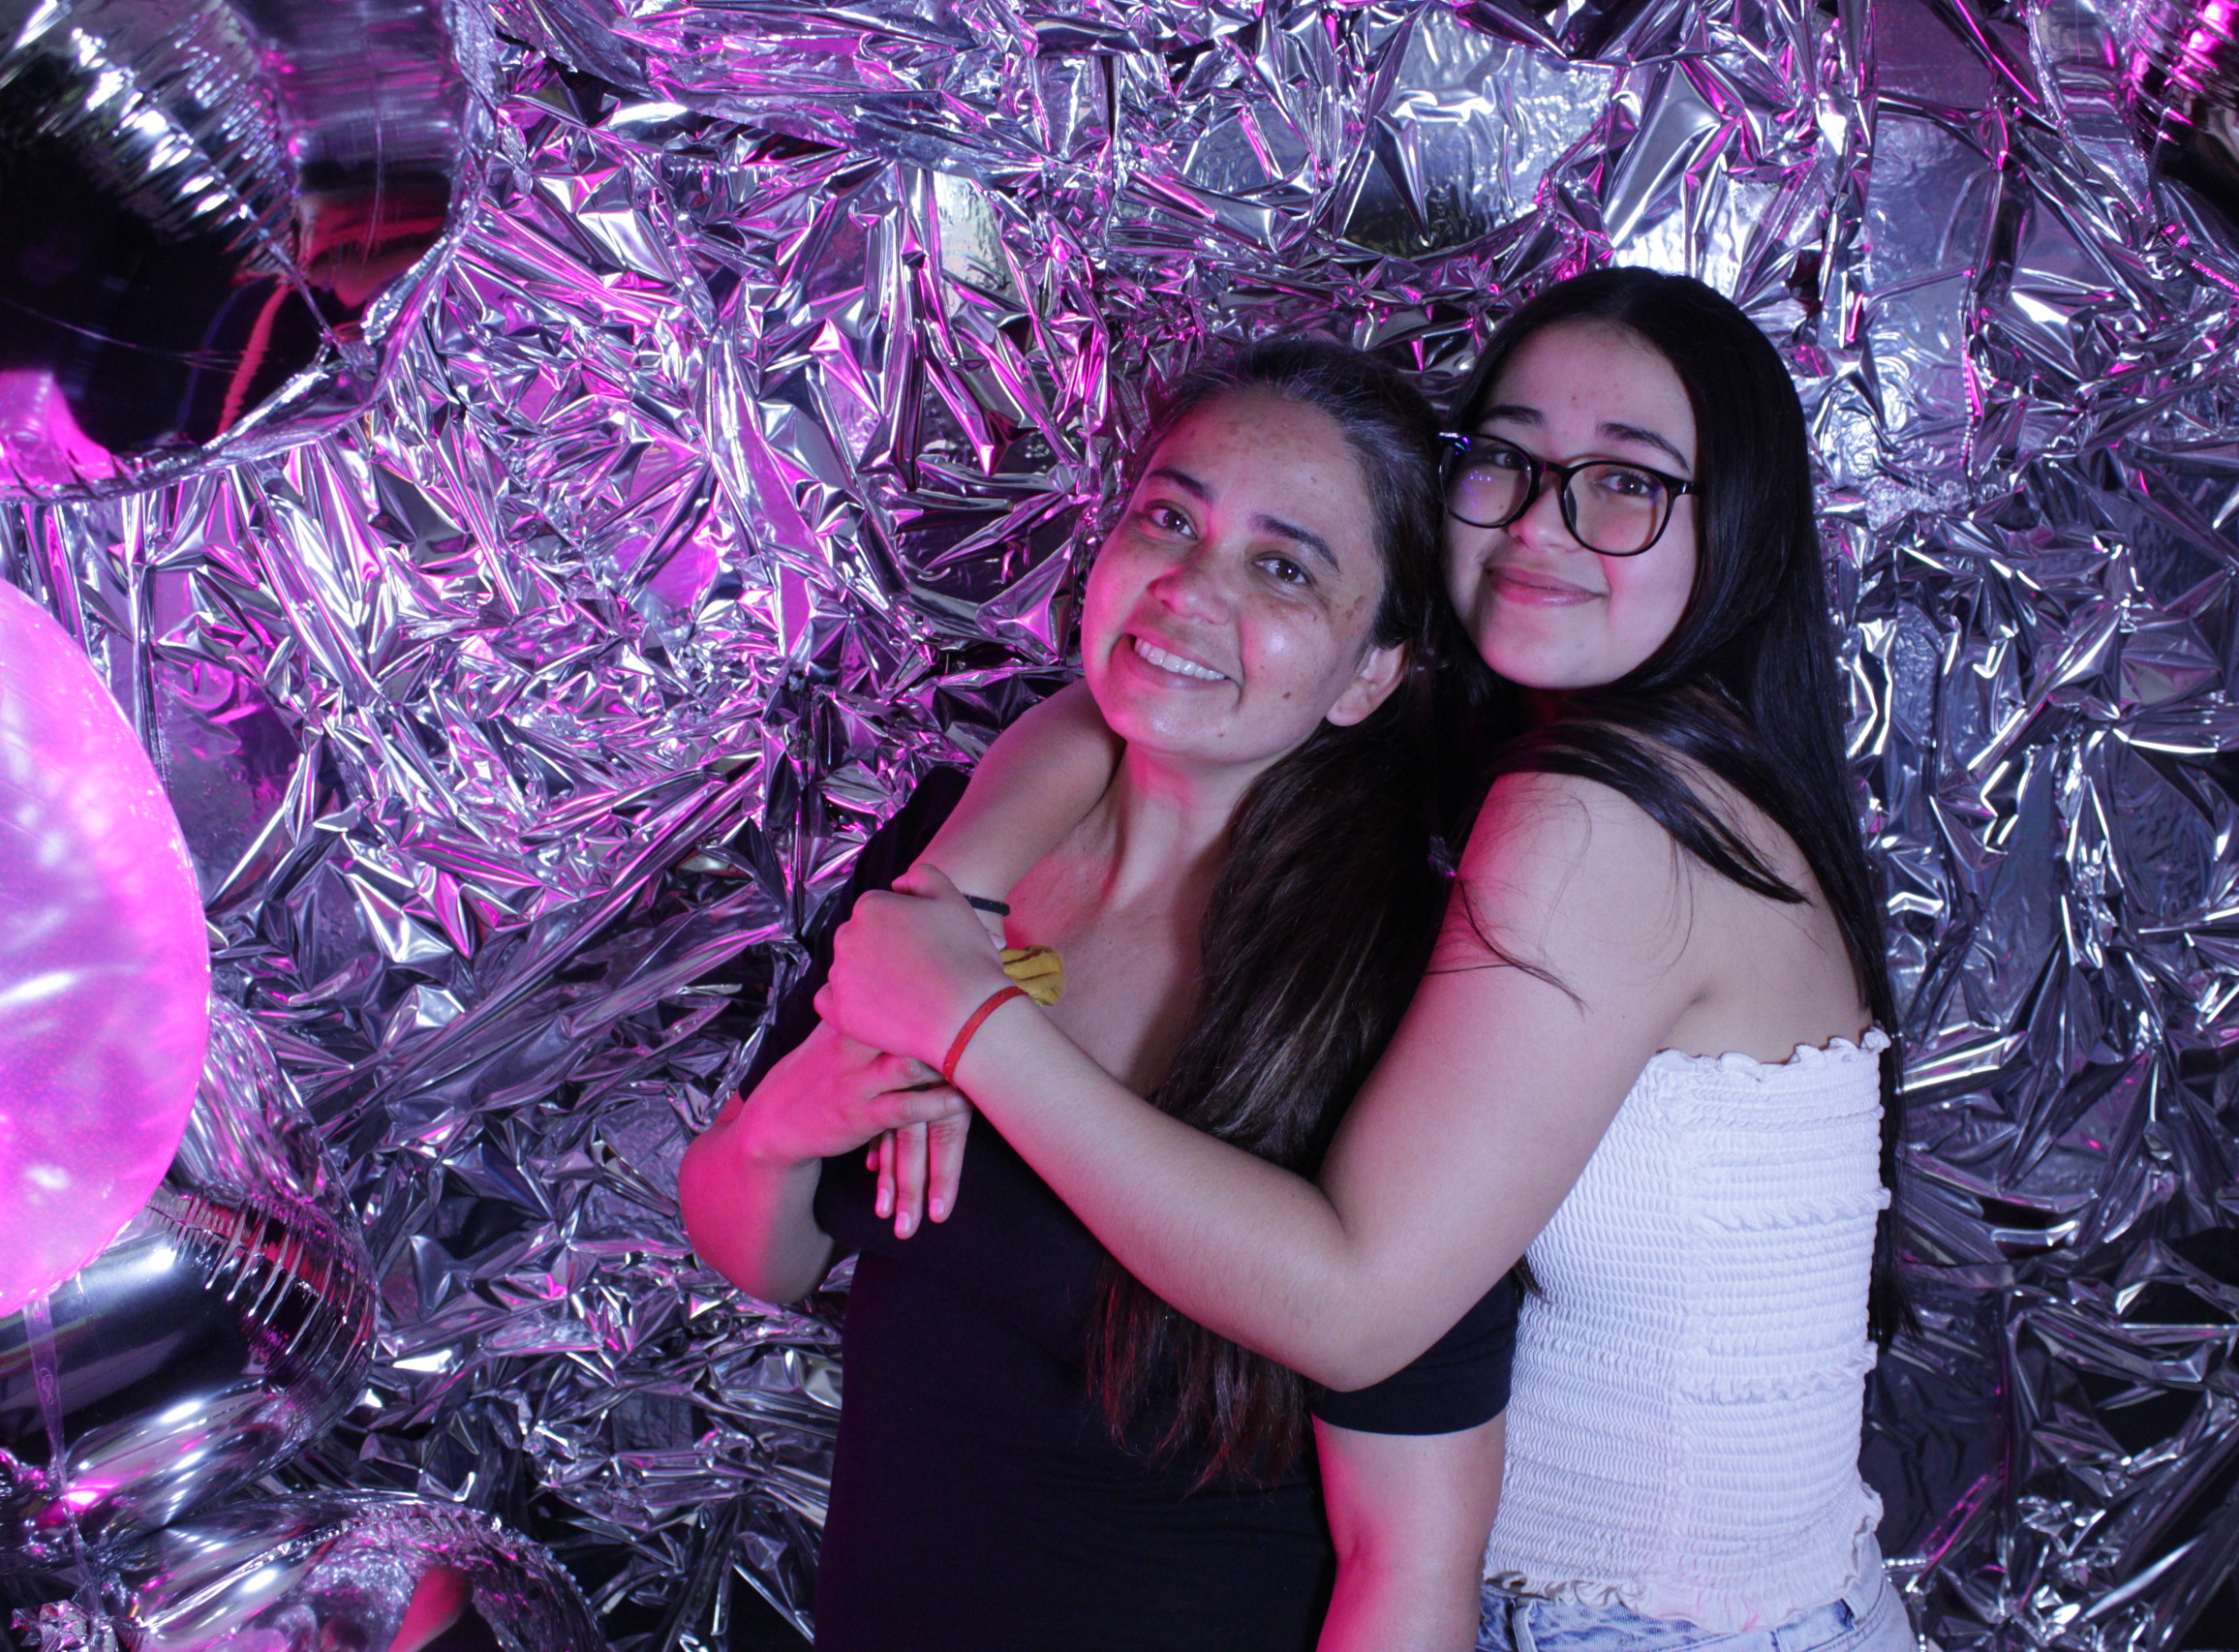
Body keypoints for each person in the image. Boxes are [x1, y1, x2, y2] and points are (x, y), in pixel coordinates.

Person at [819, 266, 1918, 1652]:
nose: (1541, 522)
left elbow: (1355, 1313)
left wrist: (971, 1019)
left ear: (1738, 530)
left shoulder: (1598, 816)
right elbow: (1134, 698)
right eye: (1507, 460)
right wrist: (963, 882)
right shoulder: (1609, 757)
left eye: (1627, 484)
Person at [679, 339, 1521, 1652]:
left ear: (1372, 673)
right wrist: (788, 1123)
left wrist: (967, 1022)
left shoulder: (1405, 988)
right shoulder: (956, 861)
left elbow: (1407, 1561)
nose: (1188, 588)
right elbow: (768, 1254)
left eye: (1284, 568)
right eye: (1170, 520)